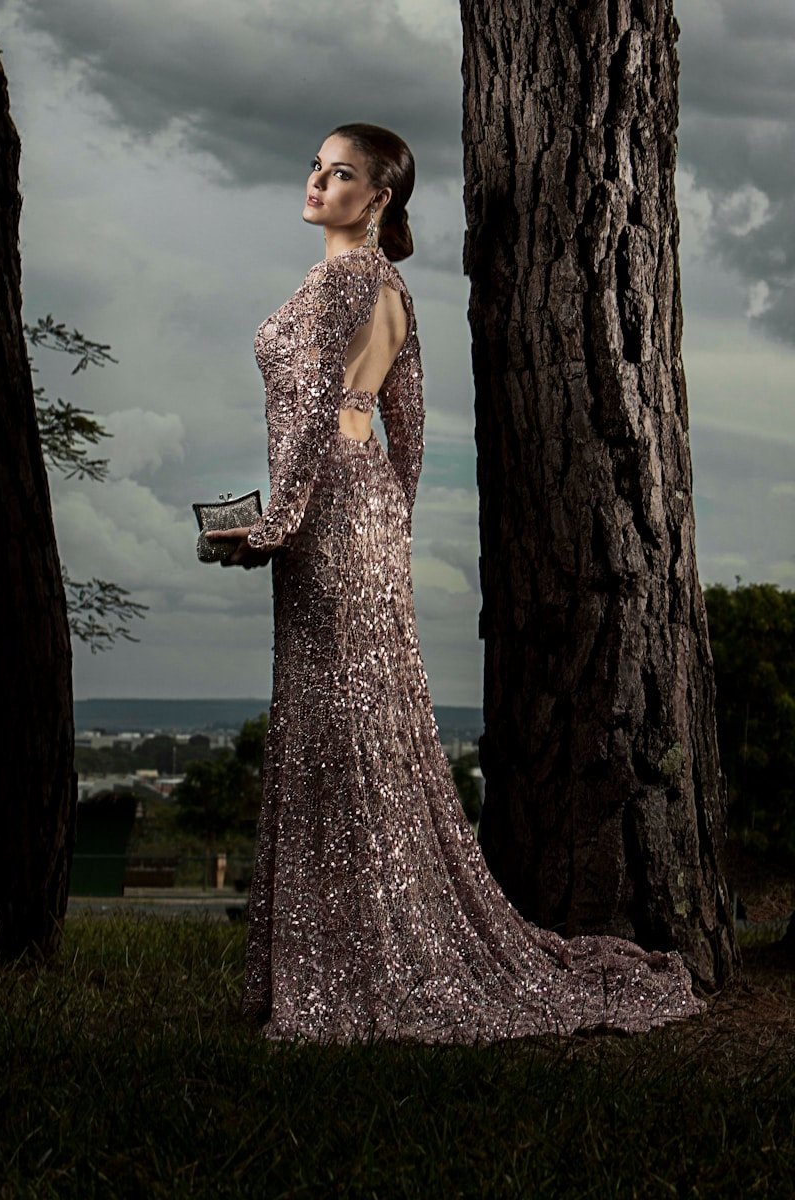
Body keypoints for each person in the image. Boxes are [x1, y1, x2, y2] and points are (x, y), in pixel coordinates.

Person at [205, 123, 706, 1043]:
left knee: (339, 727)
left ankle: (345, 971)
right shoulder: (391, 289)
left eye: (341, 172)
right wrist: (386, 522)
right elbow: (411, 427)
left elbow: (318, 415)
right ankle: (350, 954)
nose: (318, 180)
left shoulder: (352, 280)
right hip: (362, 516)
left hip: (324, 515)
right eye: (316, 165)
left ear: (380, 196)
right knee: (357, 725)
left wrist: (276, 526)